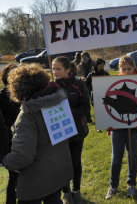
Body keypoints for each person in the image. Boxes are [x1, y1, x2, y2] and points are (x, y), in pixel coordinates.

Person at [2, 64, 73, 203]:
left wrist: (6, 161)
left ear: (18, 89)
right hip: (58, 172)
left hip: (36, 181)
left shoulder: (27, 116)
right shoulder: (58, 104)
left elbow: (23, 155)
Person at [105, 55, 137, 200]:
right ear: (119, 69)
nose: (127, 71)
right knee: (116, 157)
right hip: (117, 127)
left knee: (132, 156)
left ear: (134, 68)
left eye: (129, 69)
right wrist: (108, 123)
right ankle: (113, 185)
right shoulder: (112, 83)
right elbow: (105, 106)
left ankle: (131, 184)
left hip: (134, 127)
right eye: (123, 69)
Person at [52, 56, 90, 204]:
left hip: (77, 130)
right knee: (62, 163)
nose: (55, 71)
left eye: (58, 69)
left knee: (75, 161)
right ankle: (66, 193)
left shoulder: (79, 84)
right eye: (53, 68)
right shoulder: (51, 86)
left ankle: (76, 190)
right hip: (60, 132)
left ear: (68, 69)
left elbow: (86, 107)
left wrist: (67, 114)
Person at [0, 63, 20, 204]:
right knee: (14, 178)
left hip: (24, 141)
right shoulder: (1, 97)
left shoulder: (23, 94)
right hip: (11, 144)